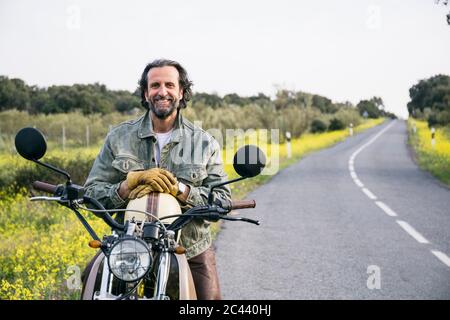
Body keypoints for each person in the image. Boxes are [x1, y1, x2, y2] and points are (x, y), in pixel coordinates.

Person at [84, 59, 231, 300]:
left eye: (170, 85)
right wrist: (126, 185)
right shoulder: (119, 137)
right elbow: (92, 193)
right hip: (128, 245)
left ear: (181, 92)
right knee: (90, 279)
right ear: (145, 92)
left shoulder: (204, 142)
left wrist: (180, 189)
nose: (162, 92)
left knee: (209, 300)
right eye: (155, 85)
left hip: (190, 247)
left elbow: (222, 199)